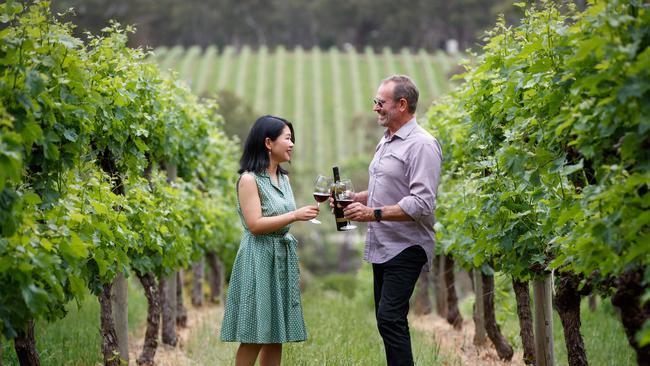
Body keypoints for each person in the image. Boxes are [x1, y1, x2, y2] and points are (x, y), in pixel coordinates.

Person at [342, 75, 442, 366]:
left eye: (380, 102)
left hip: (407, 245)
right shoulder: (386, 140)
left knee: (390, 318)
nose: (375, 108)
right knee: (386, 320)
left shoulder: (422, 145)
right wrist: (358, 198)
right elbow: (385, 189)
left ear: (401, 104)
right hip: (384, 245)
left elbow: (422, 203)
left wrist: (372, 213)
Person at [220, 115, 319, 366]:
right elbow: (254, 225)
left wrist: (297, 216)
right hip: (258, 257)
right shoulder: (249, 180)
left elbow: (282, 218)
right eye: (287, 138)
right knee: (255, 333)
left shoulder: (283, 179)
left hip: (280, 257)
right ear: (268, 143)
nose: (292, 144)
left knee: (276, 334)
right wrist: (296, 215)